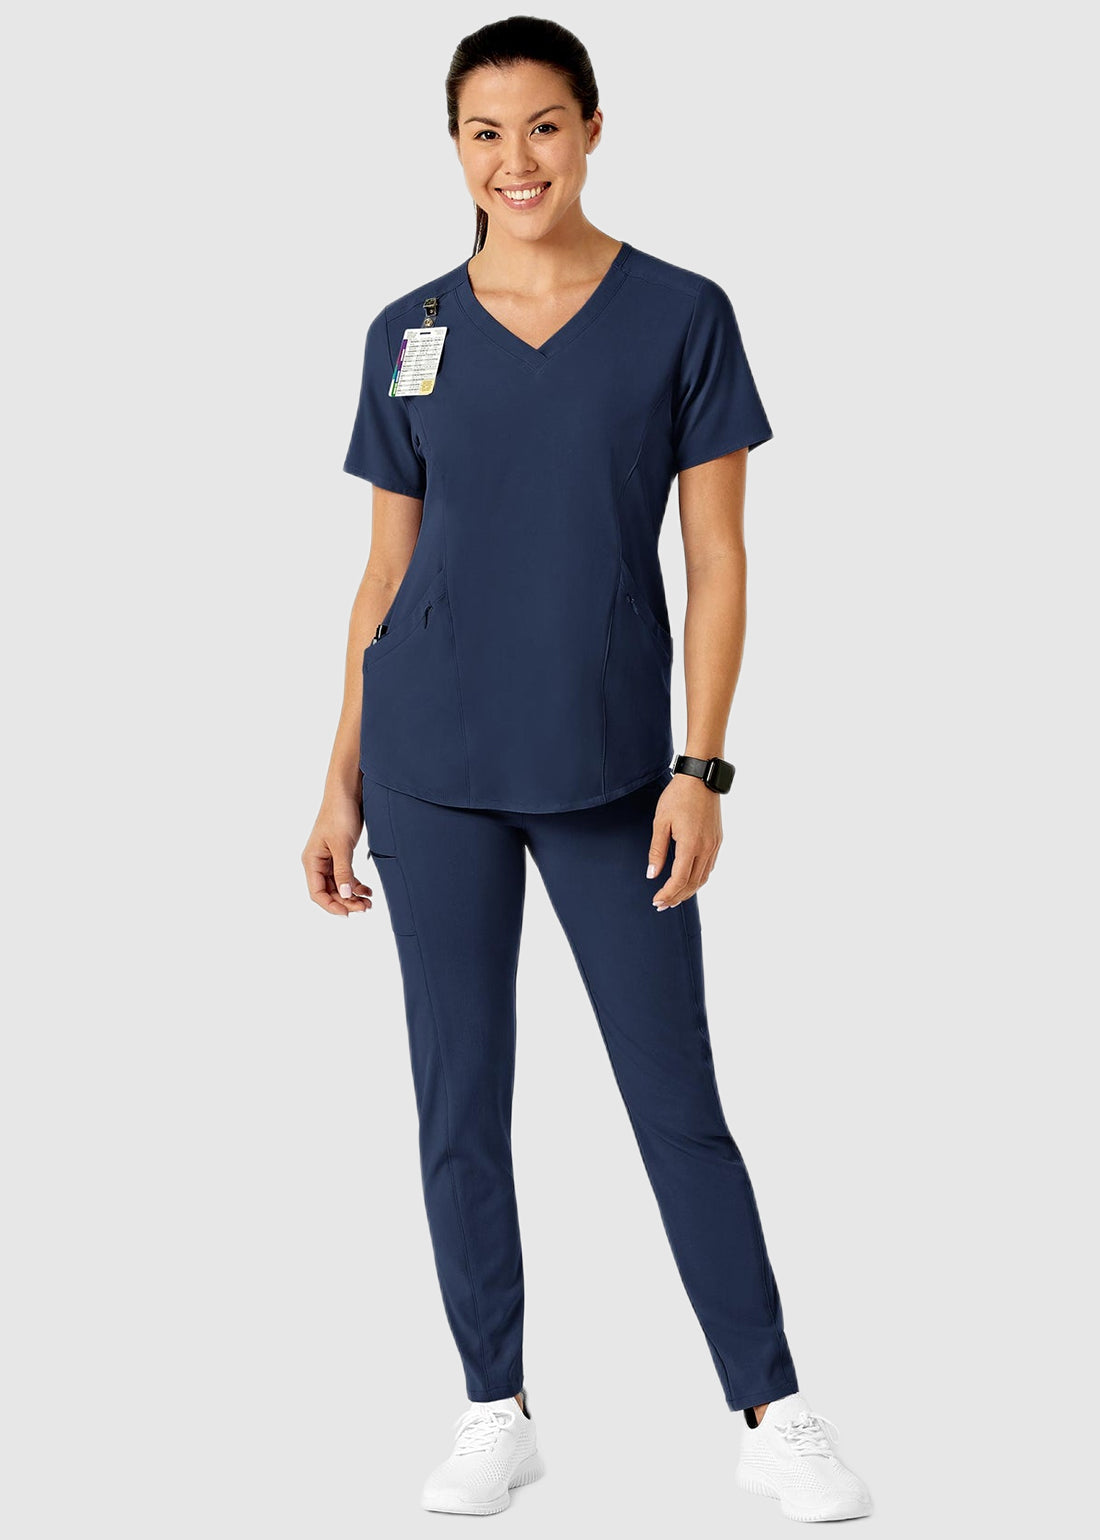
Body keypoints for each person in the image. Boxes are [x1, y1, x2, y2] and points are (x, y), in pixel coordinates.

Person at [302, 14, 873, 1526]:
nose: (517, 160)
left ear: (595, 129)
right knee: (458, 1099)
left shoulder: (682, 313)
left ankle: (773, 1407)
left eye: (544, 126)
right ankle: (494, 1405)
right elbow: (381, 576)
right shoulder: (409, 329)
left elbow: (719, 555)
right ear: (453, 148)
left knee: (675, 1098)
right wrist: (340, 777)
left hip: (616, 770)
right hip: (429, 768)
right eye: (485, 133)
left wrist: (704, 766)